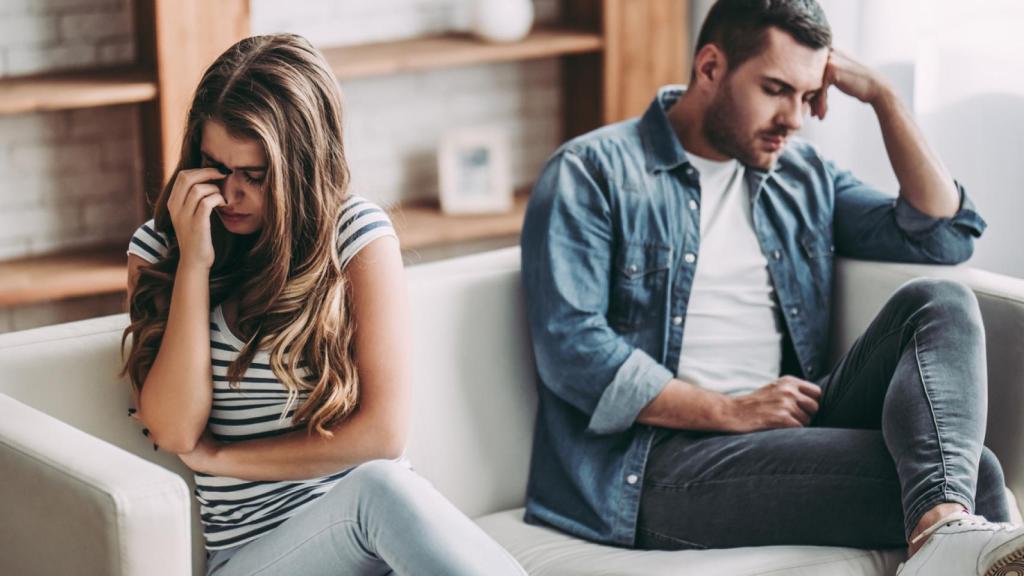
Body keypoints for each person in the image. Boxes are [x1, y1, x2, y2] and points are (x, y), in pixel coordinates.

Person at [519, 1, 1024, 574]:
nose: (796, 118)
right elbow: (573, 350)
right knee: (972, 474)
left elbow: (944, 235)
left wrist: (883, 95)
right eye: (776, 89)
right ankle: (944, 532)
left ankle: (942, 533)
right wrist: (730, 410)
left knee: (941, 302)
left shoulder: (799, 173)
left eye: (808, 96)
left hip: (789, 426)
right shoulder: (593, 172)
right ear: (710, 67)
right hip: (660, 463)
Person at [122, 34, 524, 576]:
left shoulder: (355, 235)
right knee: (379, 490)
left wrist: (223, 459)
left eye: (256, 176)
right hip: (256, 556)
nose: (230, 193)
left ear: (300, 169)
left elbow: (382, 432)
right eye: (216, 167)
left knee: (381, 492)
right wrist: (195, 262)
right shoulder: (160, 249)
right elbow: (174, 431)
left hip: (373, 545)